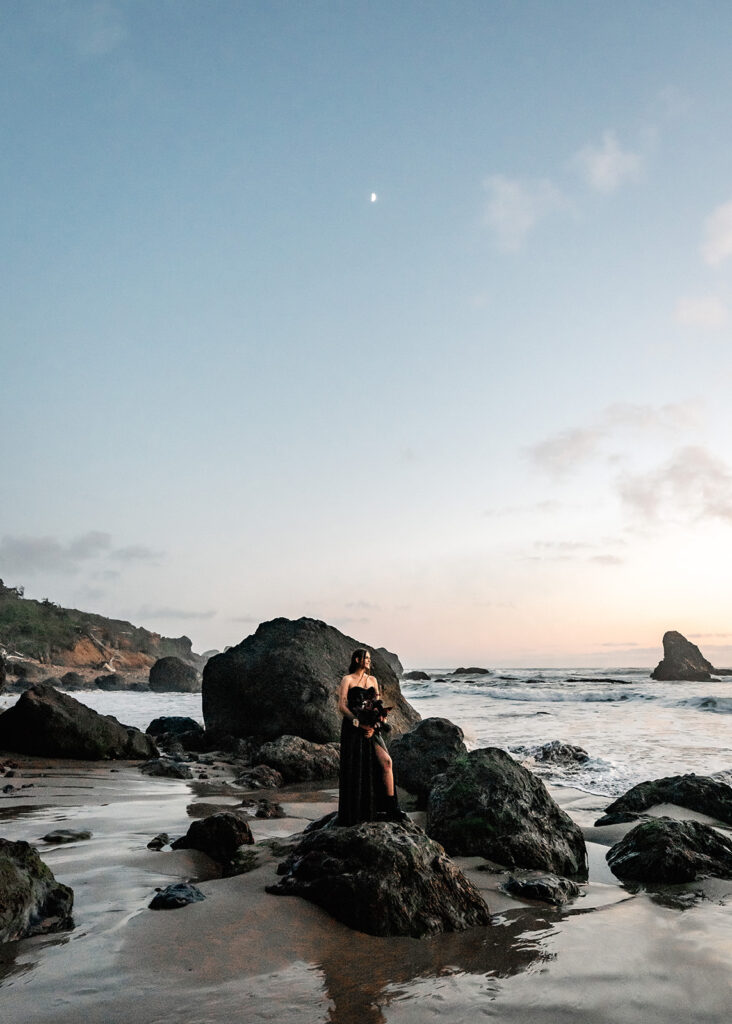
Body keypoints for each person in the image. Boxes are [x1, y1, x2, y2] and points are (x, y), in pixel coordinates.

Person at [337, 647, 407, 825]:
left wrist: (376, 722)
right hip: (353, 728)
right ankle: (359, 811)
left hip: (372, 728)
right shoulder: (348, 679)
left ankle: (392, 808)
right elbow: (342, 706)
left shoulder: (373, 680)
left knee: (386, 762)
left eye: (369, 658)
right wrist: (358, 723)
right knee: (358, 769)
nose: (368, 660)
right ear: (357, 660)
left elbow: (377, 704)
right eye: (365, 657)